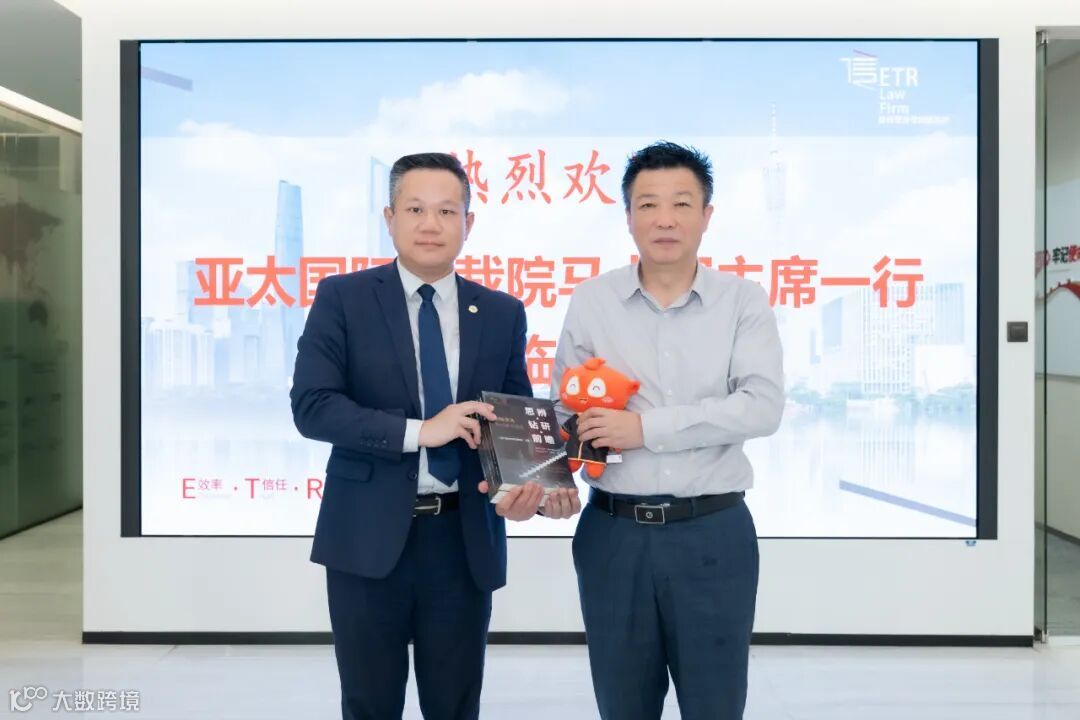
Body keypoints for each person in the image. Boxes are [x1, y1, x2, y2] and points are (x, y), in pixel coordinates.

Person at [290, 152, 579, 720]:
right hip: (366, 535)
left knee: (455, 705)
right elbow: (313, 407)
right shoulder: (343, 298)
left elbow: (514, 421)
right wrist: (422, 431)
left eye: (447, 211)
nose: (430, 224)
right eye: (415, 209)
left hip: (462, 541)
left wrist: (536, 492)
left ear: (468, 223)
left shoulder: (500, 312)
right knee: (369, 704)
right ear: (389, 217)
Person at [552, 141, 785, 720]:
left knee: (715, 704)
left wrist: (644, 428)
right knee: (622, 704)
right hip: (613, 535)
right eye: (648, 204)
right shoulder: (593, 301)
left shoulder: (742, 301)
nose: (664, 219)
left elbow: (761, 407)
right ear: (628, 216)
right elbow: (564, 411)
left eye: (682, 203)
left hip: (713, 534)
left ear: (707, 215)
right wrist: (543, 480)